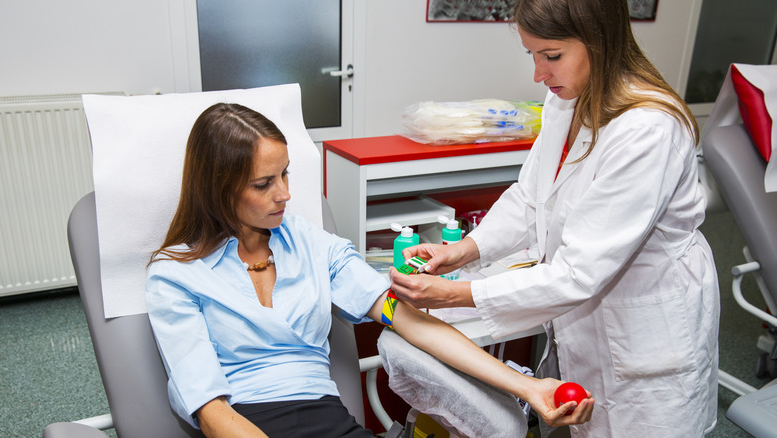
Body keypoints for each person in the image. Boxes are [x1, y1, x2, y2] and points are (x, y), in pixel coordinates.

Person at [145, 103, 594, 437]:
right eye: (264, 184)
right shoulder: (175, 276)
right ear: (218, 190)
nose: (284, 194)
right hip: (241, 423)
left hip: (327, 419)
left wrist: (527, 387)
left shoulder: (308, 243)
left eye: (285, 175)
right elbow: (210, 410)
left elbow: (411, 321)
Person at [390, 0, 719, 436]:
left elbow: (579, 272)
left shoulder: (648, 129)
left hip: (647, 327)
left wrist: (455, 293)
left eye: (552, 56)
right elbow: (531, 197)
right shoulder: (567, 100)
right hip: (588, 316)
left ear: (600, 42)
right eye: (532, 55)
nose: (538, 74)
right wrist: (462, 250)